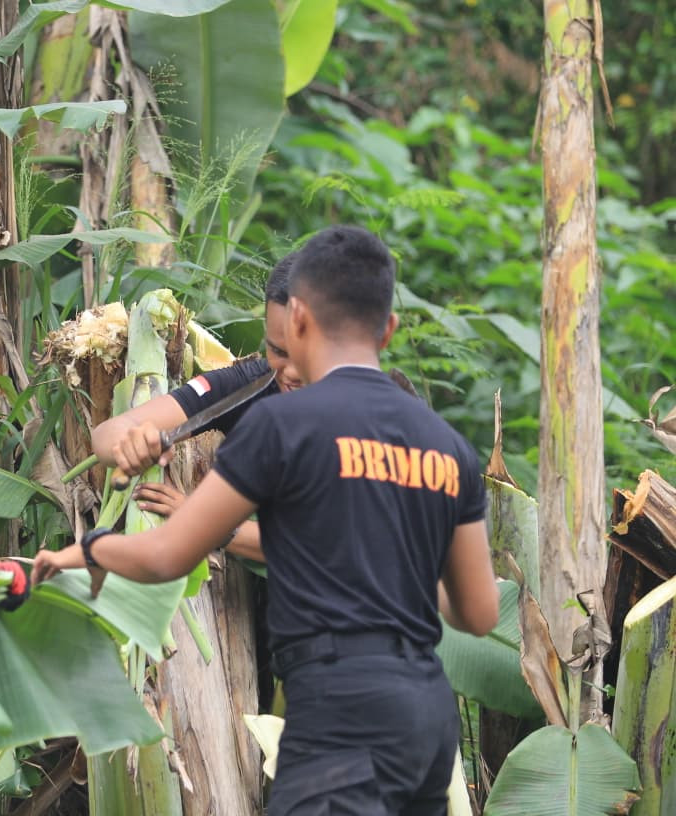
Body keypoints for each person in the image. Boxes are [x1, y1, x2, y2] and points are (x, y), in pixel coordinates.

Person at [33, 225, 499, 815]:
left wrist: (84, 553)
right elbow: (479, 612)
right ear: (388, 329)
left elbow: (163, 557)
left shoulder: (283, 427)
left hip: (338, 711)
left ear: (299, 319)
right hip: (426, 719)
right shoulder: (447, 445)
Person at [90, 252, 302, 561]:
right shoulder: (252, 385)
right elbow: (108, 434)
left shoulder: (374, 417)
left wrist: (203, 523)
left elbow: (324, 543)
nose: (291, 372)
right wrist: (131, 444)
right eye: (279, 350)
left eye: (306, 353)